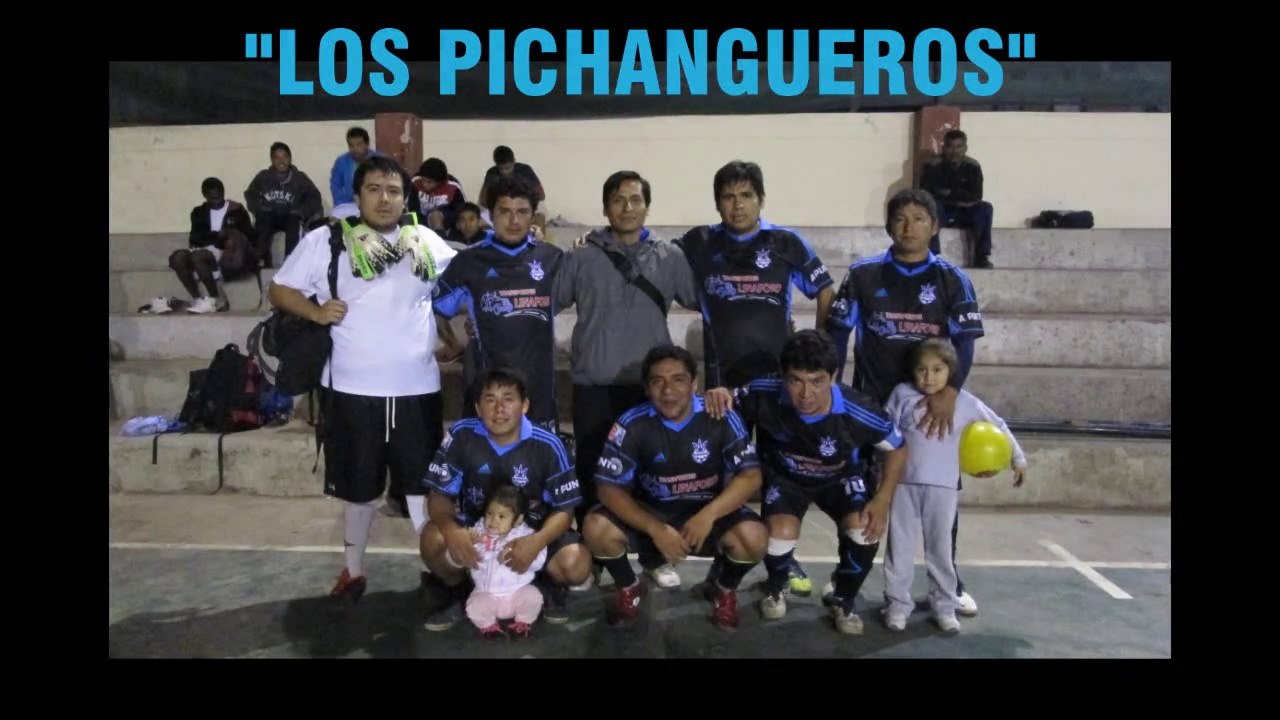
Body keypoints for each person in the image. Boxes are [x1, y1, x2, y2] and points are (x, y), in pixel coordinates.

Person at [267, 155, 457, 609]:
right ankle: (352, 572)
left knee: (420, 489)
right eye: (375, 189)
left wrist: (451, 338)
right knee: (358, 488)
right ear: (358, 195)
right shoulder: (326, 241)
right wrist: (315, 311)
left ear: (405, 197)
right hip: (352, 390)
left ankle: (440, 573)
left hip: (417, 389)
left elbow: (441, 297)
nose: (385, 198)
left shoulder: (426, 240)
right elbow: (280, 288)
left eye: (394, 190)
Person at [672, 159, 836, 597]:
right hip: (723, 384)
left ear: (761, 200)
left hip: (777, 384)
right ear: (717, 203)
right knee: (729, 476)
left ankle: (783, 558)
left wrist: (820, 352)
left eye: (745, 195)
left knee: (779, 473)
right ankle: (726, 564)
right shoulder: (699, 242)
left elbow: (824, 289)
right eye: (728, 196)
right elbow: (650, 254)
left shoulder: (785, 242)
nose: (737, 204)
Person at [824, 187, 986, 616]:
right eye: (901, 218)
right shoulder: (863, 275)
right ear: (888, 224)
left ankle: (949, 585)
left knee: (938, 496)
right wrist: (834, 393)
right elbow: (837, 337)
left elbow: (965, 345)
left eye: (919, 218)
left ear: (934, 227)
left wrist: (950, 393)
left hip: (929, 411)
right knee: (862, 493)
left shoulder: (952, 279)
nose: (909, 226)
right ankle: (847, 578)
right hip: (872, 407)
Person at [552, 170, 702, 590]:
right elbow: (543, 300)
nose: (628, 207)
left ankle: (654, 555)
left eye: (636, 199)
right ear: (605, 207)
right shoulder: (582, 256)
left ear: (647, 207)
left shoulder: (669, 257)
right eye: (619, 200)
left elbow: (701, 297)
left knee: (648, 474)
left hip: (650, 390)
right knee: (592, 469)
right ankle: (595, 553)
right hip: (594, 384)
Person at [704, 330, 906, 634]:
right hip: (786, 478)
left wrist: (882, 499)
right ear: (782, 376)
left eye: (817, 381)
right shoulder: (764, 390)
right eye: (796, 380)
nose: (806, 393)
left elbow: (899, 448)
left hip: (840, 478)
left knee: (864, 530)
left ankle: (843, 596)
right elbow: (726, 400)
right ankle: (776, 585)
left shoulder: (859, 410)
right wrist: (717, 393)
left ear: (834, 376)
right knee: (776, 534)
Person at [586, 345, 768, 630]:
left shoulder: (719, 415)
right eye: (658, 381)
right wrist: (655, 528)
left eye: (678, 379)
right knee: (595, 527)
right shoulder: (632, 422)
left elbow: (751, 477)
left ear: (694, 384)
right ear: (647, 388)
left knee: (754, 538)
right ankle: (628, 587)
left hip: (705, 512)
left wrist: (708, 515)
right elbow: (607, 489)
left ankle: (722, 588)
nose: (668, 390)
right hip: (653, 513)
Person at [418, 368, 592, 629]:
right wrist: (452, 530)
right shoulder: (461, 435)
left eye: (508, 399)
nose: (499, 409)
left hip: (531, 533)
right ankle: (460, 589)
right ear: (478, 408)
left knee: (577, 564)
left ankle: (544, 585)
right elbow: (438, 496)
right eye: (490, 400)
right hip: (479, 534)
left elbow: (565, 510)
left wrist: (537, 541)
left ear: (525, 406)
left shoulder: (548, 444)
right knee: (432, 538)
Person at [881, 338, 1027, 634]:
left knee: (940, 549)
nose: (928, 377)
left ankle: (944, 606)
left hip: (943, 488)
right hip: (903, 486)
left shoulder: (965, 402)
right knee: (900, 547)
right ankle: (897, 605)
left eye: (937, 369)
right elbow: (883, 431)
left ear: (951, 372)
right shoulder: (901, 394)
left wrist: (1018, 458)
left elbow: (998, 425)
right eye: (921, 369)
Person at [431, 176, 564, 432]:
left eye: (522, 212)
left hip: (539, 391)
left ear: (532, 217)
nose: (514, 221)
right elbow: (435, 306)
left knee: (538, 466)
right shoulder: (468, 261)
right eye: (505, 212)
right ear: (490, 216)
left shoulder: (552, 260)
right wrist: (453, 341)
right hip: (487, 392)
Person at [454, 484, 548, 639]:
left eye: (501, 516)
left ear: (518, 520)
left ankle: (523, 622)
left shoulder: (527, 536)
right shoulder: (478, 531)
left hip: (517, 591)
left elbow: (538, 562)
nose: (493, 521)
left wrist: (516, 556)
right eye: (490, 513)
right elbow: (474, 563)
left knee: (533, 597)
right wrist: (475, 544)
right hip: (487, 594)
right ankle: (488, 627)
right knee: (474, 606)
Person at [151, 177, 254, 314]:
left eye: (219, 197)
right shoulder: (199, 212)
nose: (217, 201)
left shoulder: (237, 210)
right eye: (212, 199)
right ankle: (197, 298)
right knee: (178, 257)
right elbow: (195, 236)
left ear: (223, 192)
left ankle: (215, 299)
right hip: (203, 247)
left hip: (227, 251)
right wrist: (218, 235)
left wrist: (219, 237)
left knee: (198, 257)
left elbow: (246, 234)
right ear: (205, 196)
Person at [920, 129, 995, 268]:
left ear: (965, 148)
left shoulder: (972, 166)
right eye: (950, 147)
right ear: (944, 148)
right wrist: (959, 193)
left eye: (958, 147)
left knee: (985, 208)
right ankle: (932, 256)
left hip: (965, 211)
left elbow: (976, 195)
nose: (954, 151)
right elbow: (926, 193)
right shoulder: (933, 165)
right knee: (932, 206)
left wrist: (948, 192)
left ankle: (981, 256)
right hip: (942, 210)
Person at [245, 142, 323, 267]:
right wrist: (259, 208)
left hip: (290, 215)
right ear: (272, 160)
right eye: (277, 157)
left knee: (294, 224)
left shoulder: (300, 178)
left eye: (285, 157)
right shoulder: (263, 177)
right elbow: (250, 194)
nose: (281, 161)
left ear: (290, 159)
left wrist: (302, 211)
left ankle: (290, 260)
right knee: (262, 222)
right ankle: (261, 259)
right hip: (269, 214)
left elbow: (315, 197)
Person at [479, 145, 547, 231]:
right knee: (482, 221)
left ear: (514, 161)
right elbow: (483, 201)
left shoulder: (525, 171)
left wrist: (525, 199)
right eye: (501, 169)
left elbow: (541, 195)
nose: (505, 172)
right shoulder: (492, 174)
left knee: (540, 215)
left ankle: (536, 240)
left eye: (508, 168)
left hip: (525, 203)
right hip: (501, 205)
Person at [411, 157, 467, 234]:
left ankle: (440, 239)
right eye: (423, 180)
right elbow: (408, 206)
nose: (424, 184)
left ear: (440, 182)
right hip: (419, 219)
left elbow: (462, 210)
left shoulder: (453, 186)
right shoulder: (415, 181)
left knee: (435, 216)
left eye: (429, 182)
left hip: (444, 220)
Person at [329, 126, 379, 209]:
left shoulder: (379, 160)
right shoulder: (341, 162)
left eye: (359, 145)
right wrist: (340, 205)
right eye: (351, 145)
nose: (355, 149)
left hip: (375, 204)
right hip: (348, 205)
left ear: (367, 144)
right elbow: (335, 186)